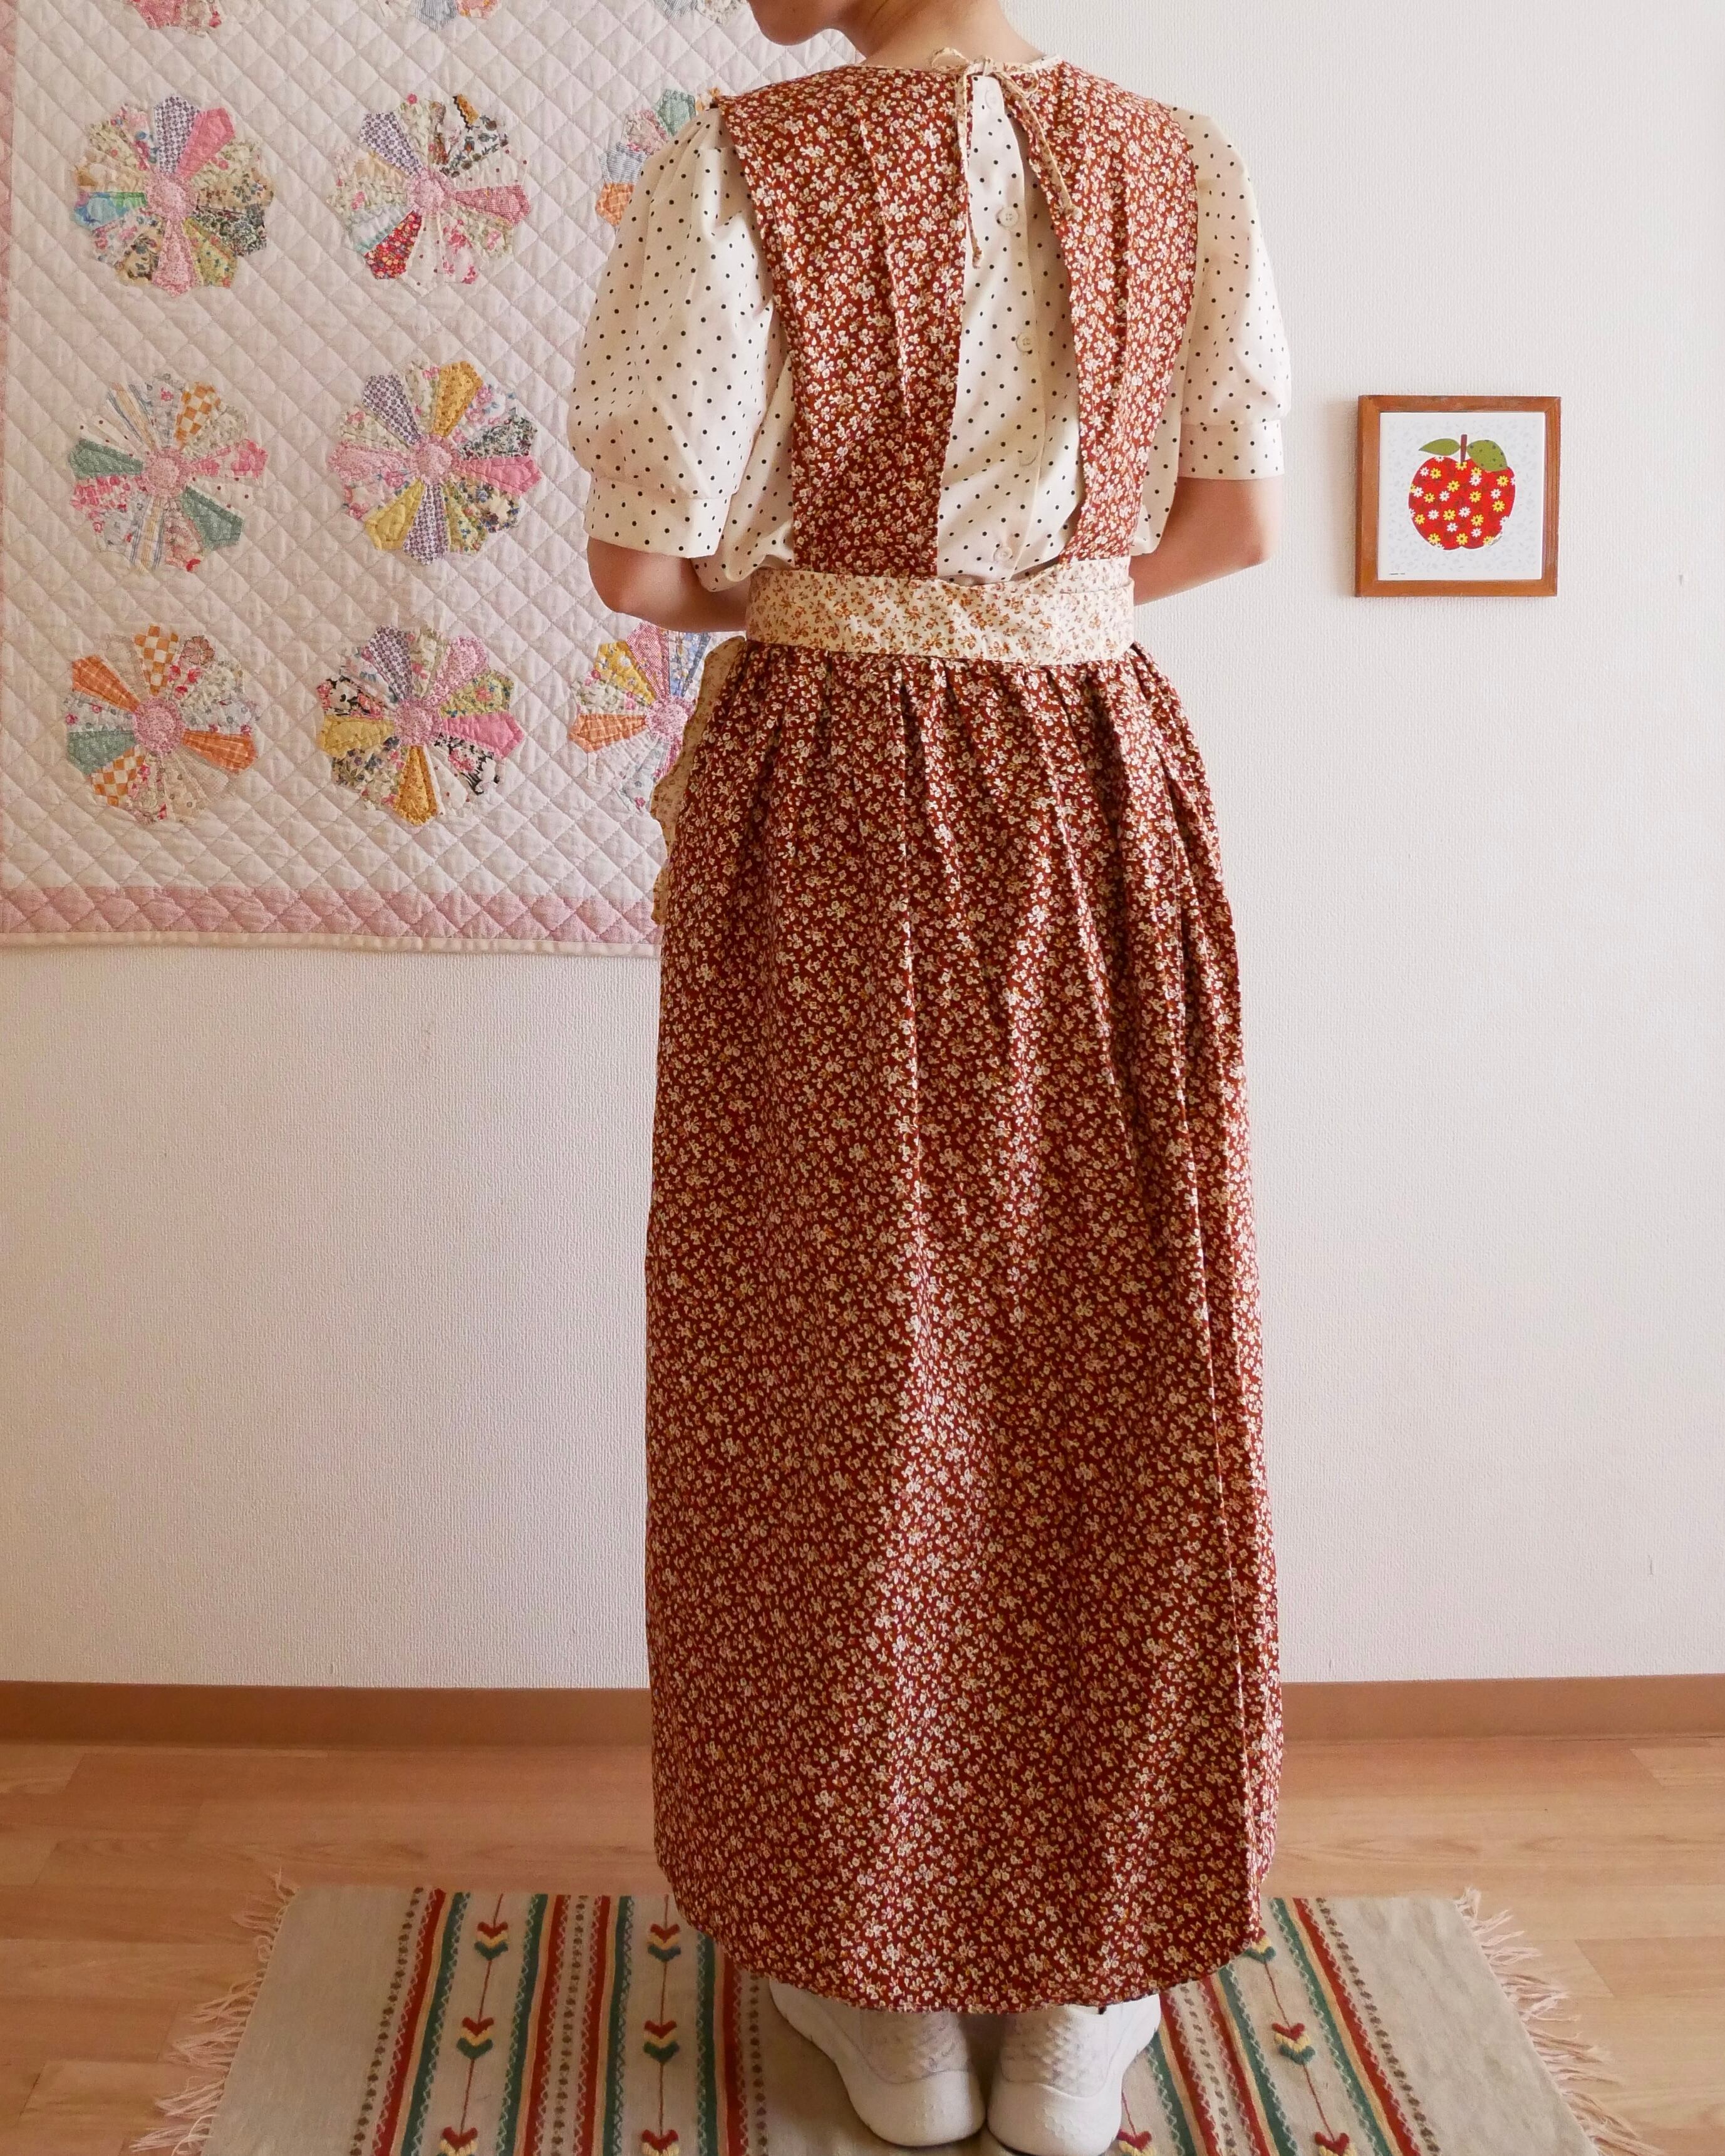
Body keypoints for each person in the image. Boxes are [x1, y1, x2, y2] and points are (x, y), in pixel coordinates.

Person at [568, 0, 1289, 2148]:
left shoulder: (740, 159)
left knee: (831, 1365)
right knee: (1118, 1345)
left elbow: (640, 563)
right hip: (1088, 784)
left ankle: (869, 1980)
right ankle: (1085, 1990)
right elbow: (1231, 525)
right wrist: (1027, 605)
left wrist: (827, 599)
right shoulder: (1180, 159)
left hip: (832, 801)